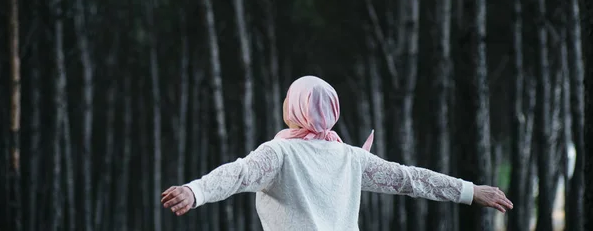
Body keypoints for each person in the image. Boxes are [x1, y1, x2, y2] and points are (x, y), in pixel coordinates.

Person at [161, 75, 513, 230]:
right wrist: (470, 191)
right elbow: (411, 179)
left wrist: (196, 191)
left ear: (297, 108)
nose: (285, 102)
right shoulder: (350, 157)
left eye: (290, 98)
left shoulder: (280, 154)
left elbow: (236, 174)